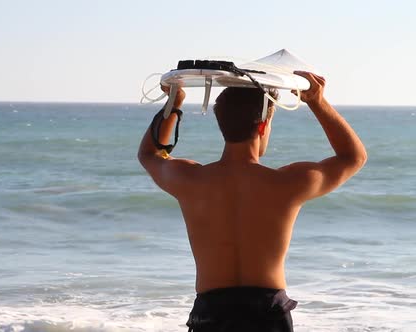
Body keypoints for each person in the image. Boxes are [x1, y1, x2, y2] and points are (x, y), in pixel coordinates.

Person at [137, 71, 367, 332]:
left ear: (221, 123)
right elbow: (353, 157)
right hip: (267, 314)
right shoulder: (287, 183)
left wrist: (175, 102)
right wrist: (316, 101)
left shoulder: (190, 180)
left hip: (211, 314)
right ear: (262, 126)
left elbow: (149, 153)